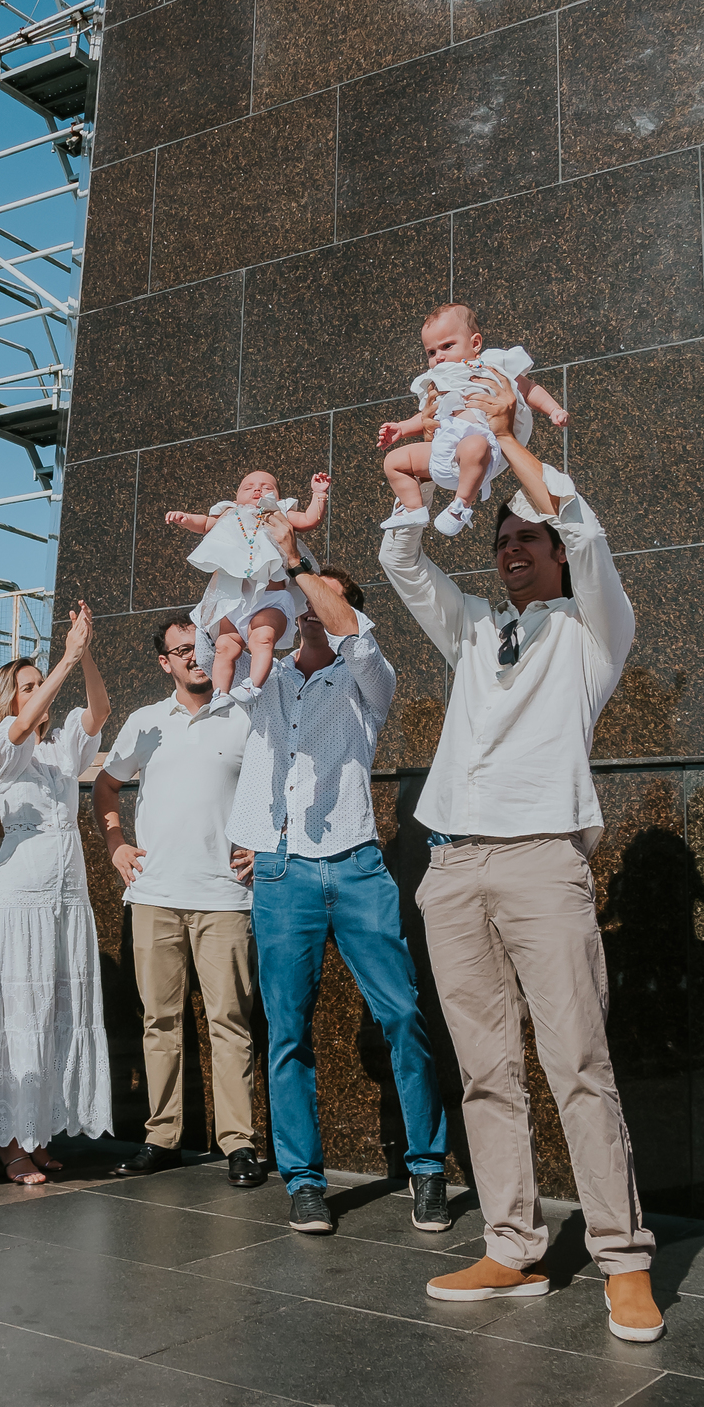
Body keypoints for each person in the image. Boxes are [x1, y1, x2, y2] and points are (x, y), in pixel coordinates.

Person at [380, 367, 664, 1342]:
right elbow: (412, 570)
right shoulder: (475, 633)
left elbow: (584, 526)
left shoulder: (593, 628)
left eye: (522, 538)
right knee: (487, 1067)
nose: (507, 551)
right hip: (454, 869)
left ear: (552, 551)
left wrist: (504, 440)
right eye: (497, 541)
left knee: (578, 1061)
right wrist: (408, 499)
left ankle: (625, 1259)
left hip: (545, 862)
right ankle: (513, 1243)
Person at [225, 526, 450, 1236]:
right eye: (301, 599)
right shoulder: (263, 680)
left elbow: (358, 638)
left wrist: (304, 562)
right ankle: (304, 1181)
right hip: (282, 870)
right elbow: (218, 642)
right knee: (286, 1032)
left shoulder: (367, 680)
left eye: (325, 599)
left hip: (355, 865)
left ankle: (428, 1169)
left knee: (403, 1017)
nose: (310, 608)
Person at [94, 617, 263, 1185]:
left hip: (225, 897)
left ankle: (239, 1144)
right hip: (155, 896)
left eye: (203, 648)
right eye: (183, 651)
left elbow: (281, 782)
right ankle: (161, 1137)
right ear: (165, 663)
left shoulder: (244, 715)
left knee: (230, 1023)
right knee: (158, 1021)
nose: (196, 657)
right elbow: (105, 784)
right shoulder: (145, 723)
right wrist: (116, 845)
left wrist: (267, 845)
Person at [0, 602, 113, 1184]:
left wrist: (85, 654)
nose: (38, 690)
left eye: (39, 682)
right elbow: (18, 728)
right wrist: (64, 661)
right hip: (19, 899)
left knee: (51, 1014)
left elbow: (99, 711)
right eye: (28, 685)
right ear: (11, 698)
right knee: (19, 1012)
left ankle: (36, 1131)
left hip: (65, 898)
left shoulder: (58, 752)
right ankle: (8, 1141)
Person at [377, 303, 568, 538]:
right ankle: (413, 508)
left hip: (479, 452)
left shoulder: (491, 366)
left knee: (474, 445)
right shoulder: (437, 380)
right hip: (441, 454)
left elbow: (528, 390)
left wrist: (554, 410)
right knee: (394, 461)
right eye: (431, 352)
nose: (439, 357)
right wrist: (403, 428)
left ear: (475, 343)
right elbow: (430, 413)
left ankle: (460, 506)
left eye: (447, 346)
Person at [165, 469, 330, 701]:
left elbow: (309, 520)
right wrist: (185, 519)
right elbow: (204, 524)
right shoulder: (230, 513)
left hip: (269, 600)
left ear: (278, 498)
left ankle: (253, 686)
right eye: (249, 486)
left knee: (262, 640)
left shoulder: (278, 512)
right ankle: (220, 694)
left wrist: (319, 495)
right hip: (234, 602)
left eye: (266, 487)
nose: (257, 489)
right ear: (235, 498)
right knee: (225, 647)